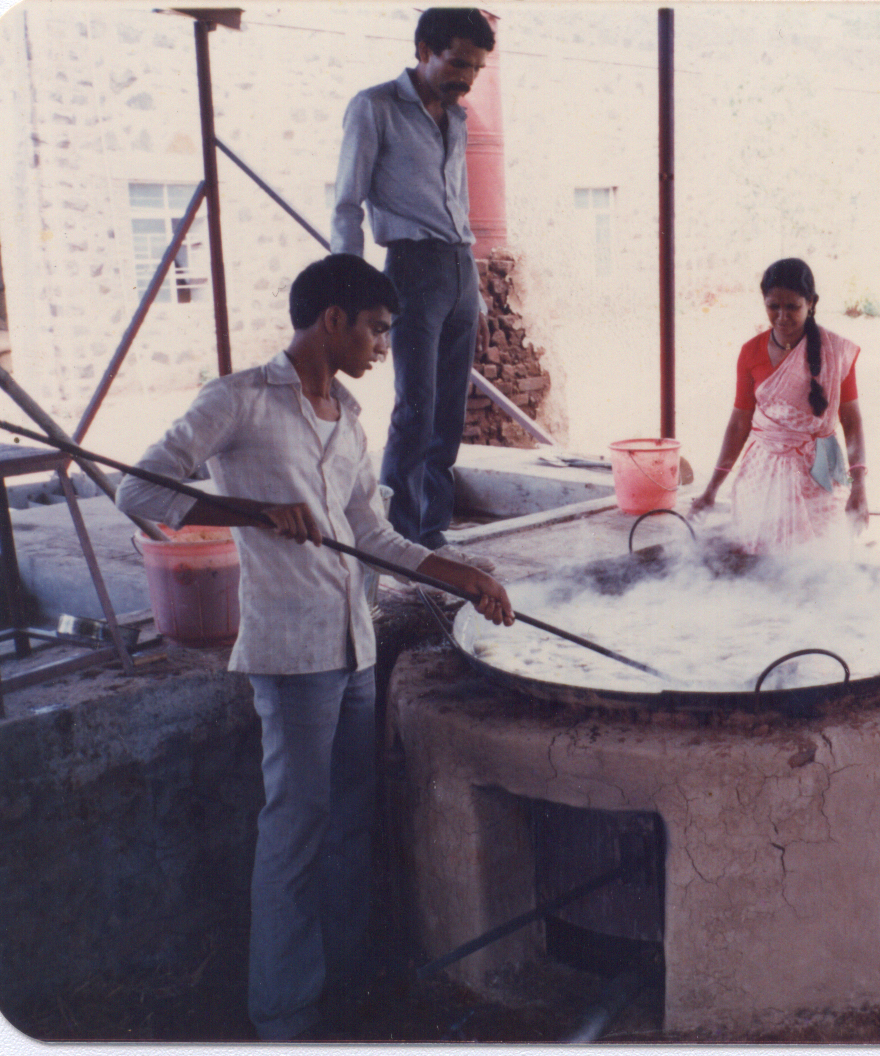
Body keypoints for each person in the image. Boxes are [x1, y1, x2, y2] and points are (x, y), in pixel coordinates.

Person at [116, 254, 515, 1042]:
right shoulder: (240, 400)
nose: (380, 346)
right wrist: (250, 510)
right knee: (295, 831)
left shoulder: (352, 419)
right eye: (375, 328)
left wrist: (459, 574)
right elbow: (138, 489)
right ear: (331, 319)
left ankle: (350, 988)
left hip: (354, 649)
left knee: (347, 826)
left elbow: (373, 537)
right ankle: (286, 1015)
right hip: (290, 654)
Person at [331, 7, 496, 549]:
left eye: (475, 68)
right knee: (416, 408)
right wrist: (349, 284)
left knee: (450, 411)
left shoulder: (459, 116)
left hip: (458, 267)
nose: (466, 77)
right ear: (423, 49)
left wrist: (474, 286)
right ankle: (399, 538)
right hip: (412, 268)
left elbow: (459, 202)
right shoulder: (374, 107)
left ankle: (433, 531)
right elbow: (347, 205)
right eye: (457, 62)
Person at [691, 258, 868, 553]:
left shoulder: (836, 352)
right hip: (763, 472)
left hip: (823, 468)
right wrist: (711, 490)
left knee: (822, 558)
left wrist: (859, 487)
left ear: (811, 303)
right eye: (773, 306)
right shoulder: (751, 352)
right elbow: (738, 424)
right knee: (763, 560)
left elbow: (851, 421)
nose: (782, 316)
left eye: (793, 307)